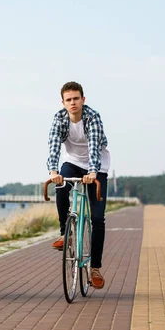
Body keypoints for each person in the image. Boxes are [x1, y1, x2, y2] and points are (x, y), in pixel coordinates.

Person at [47, 81, 110, 289]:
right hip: (73, 162)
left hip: (97, 166)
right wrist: (53, 171)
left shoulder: (92, 117)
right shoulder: (60, 118)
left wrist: (93, 172)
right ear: (63, 102)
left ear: (83, 100)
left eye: (76, 99)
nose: (72, 103)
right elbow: (54, 145)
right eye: (68, 100)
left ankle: (95, 268)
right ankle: (66, 233)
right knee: (61, 185)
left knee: (97, 217)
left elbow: (94, 147)